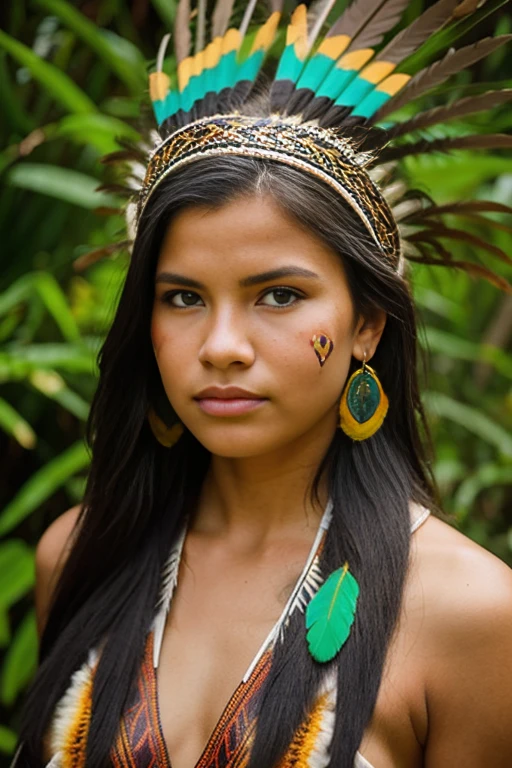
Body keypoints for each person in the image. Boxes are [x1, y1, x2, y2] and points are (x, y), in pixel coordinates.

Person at [11, 1, 512, 767]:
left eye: (278, 295)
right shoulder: (81, 556)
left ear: (368, 324)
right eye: (182, 297)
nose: (220, 347)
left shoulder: (469, 614)